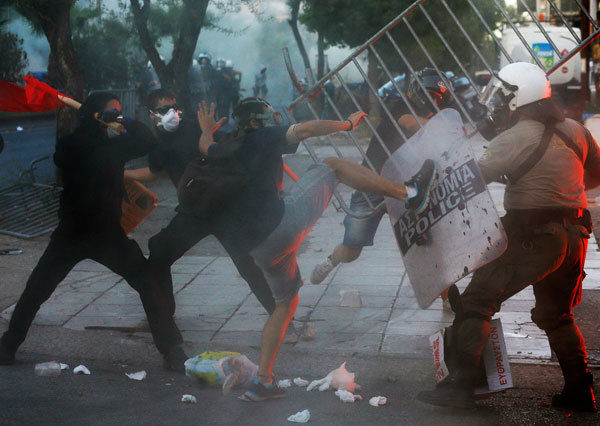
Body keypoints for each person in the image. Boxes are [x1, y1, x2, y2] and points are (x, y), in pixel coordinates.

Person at [194, 97, 438, 401]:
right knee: (332, 165)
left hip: (258, 249)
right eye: (269, 116)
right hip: (281, 226)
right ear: (255, 123)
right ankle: (410, 192)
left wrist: (206, 129)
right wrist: (347, 124)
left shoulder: (224, 146)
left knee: (285, 306)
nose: (275, 119)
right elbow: (307, 129)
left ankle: (264, 381)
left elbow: (205, 146)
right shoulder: (261, 137)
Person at [416, 62, 600, 411]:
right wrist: (562, 190)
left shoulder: (511, 138)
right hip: (576, 236)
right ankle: (581, 391)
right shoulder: (576, 131)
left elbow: (468, 183)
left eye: (501, 96)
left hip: (530, 235)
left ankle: (461, 388)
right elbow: (599, 173)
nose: (494, 104)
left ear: (518, 99)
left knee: (476, 303)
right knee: (558, 315)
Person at [0, 93, 184, 369]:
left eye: (120, 113)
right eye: (113, 112)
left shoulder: (111, 146)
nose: (118, 117)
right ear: (96, 116)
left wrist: (118, 120)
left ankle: (172, 351)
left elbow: (148, 140)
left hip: (108, 235)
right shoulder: (77, 145)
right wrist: (105, 126)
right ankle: (7, 347)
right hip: (71, 234)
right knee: (36, 291)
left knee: (148, 284)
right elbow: (67, 155)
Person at [124, 89, 278, 339]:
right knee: (160, 251)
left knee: (246, 263)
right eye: (164, 110)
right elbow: (154, 172)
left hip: (222, 205)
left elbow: (219, 147)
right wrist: (123, 174)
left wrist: (210, 130)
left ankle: (281, 316)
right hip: (195, 210)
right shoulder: (160, 141)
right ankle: (163, 315)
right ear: (152, 115)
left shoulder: (195, 127)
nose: (172, 114)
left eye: (175, 107)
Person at [310, 68, 455, 285]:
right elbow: (409, 123)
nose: (432, 101)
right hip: (374, 184)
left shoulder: (435, 117)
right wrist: (444, 128)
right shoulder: (402, 107)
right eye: (429, 95)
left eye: (438, 98)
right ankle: (331, 260)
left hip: (413, 187)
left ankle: (447, 295)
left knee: (429, 242)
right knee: (353, 247)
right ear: (417, 92)